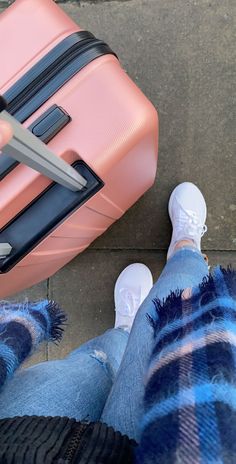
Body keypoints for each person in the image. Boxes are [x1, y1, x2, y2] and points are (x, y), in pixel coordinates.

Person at [0, 122, 235, 464]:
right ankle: (185, 248)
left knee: (95, 361)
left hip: (17, 441)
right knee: (181, 306)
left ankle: (124, 328)